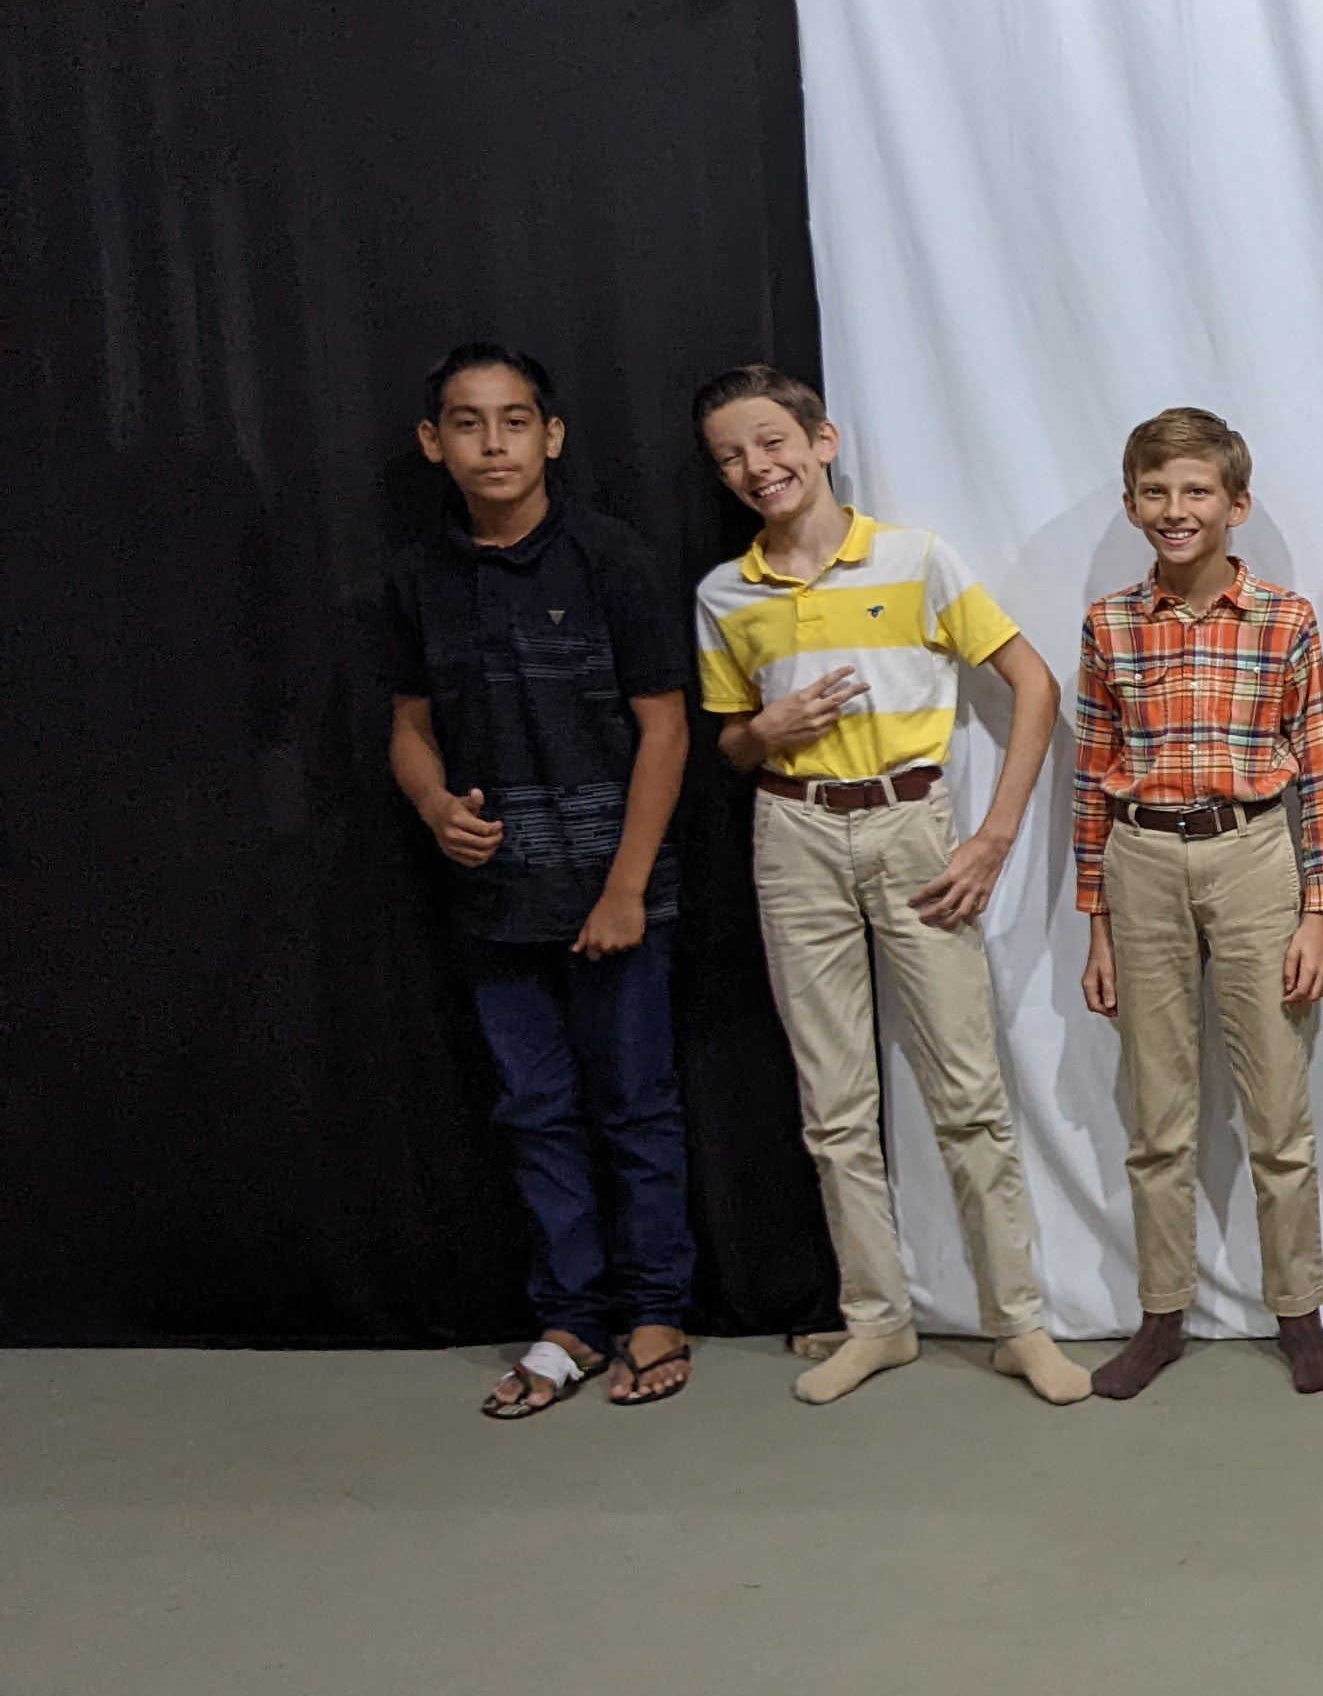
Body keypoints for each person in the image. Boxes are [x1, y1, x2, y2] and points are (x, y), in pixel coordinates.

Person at [690, 365, 1088, 1407]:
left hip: (912, 824)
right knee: (833, 1103)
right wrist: (763, 731)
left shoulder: (914, 559)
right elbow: (730, 743)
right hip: (793, 833)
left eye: (772, 441)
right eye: (730, 456)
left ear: (822, 442)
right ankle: (877, 1321)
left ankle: (1019, 1324)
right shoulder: (724, 595)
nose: (755, 467)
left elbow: (1034, 683)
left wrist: (995, 836)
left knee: (968, 1093)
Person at [387, 342, 696, 1417]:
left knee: (637, 1107)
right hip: (497, 901)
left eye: (515, 421)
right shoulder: (418, 577)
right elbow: (409, 726)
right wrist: (434, 807)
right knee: (534, 1113)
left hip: (618, 891)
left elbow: (666, 730)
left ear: (551, 435)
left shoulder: (614, 558)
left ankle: (655, 1309)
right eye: (467, 423)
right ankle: (571, 1320)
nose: (493, 443)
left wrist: (625, 886)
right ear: (434, 443)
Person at [1069, 408, 1323, 1402]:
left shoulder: (1284, 619)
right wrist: (1098, 921)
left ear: (1236, 503)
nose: (1175, 509)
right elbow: (1092, 771)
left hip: (1252, 856)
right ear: (1131, 504)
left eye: (1196, 491)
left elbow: (1321, 769)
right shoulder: (1110, 624)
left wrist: (1320, 908)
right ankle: (1161, 1313)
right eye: (1155, 492)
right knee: (1158, 1112)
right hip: (1143, 858)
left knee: (1277, 1104)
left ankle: (1299, 1312)